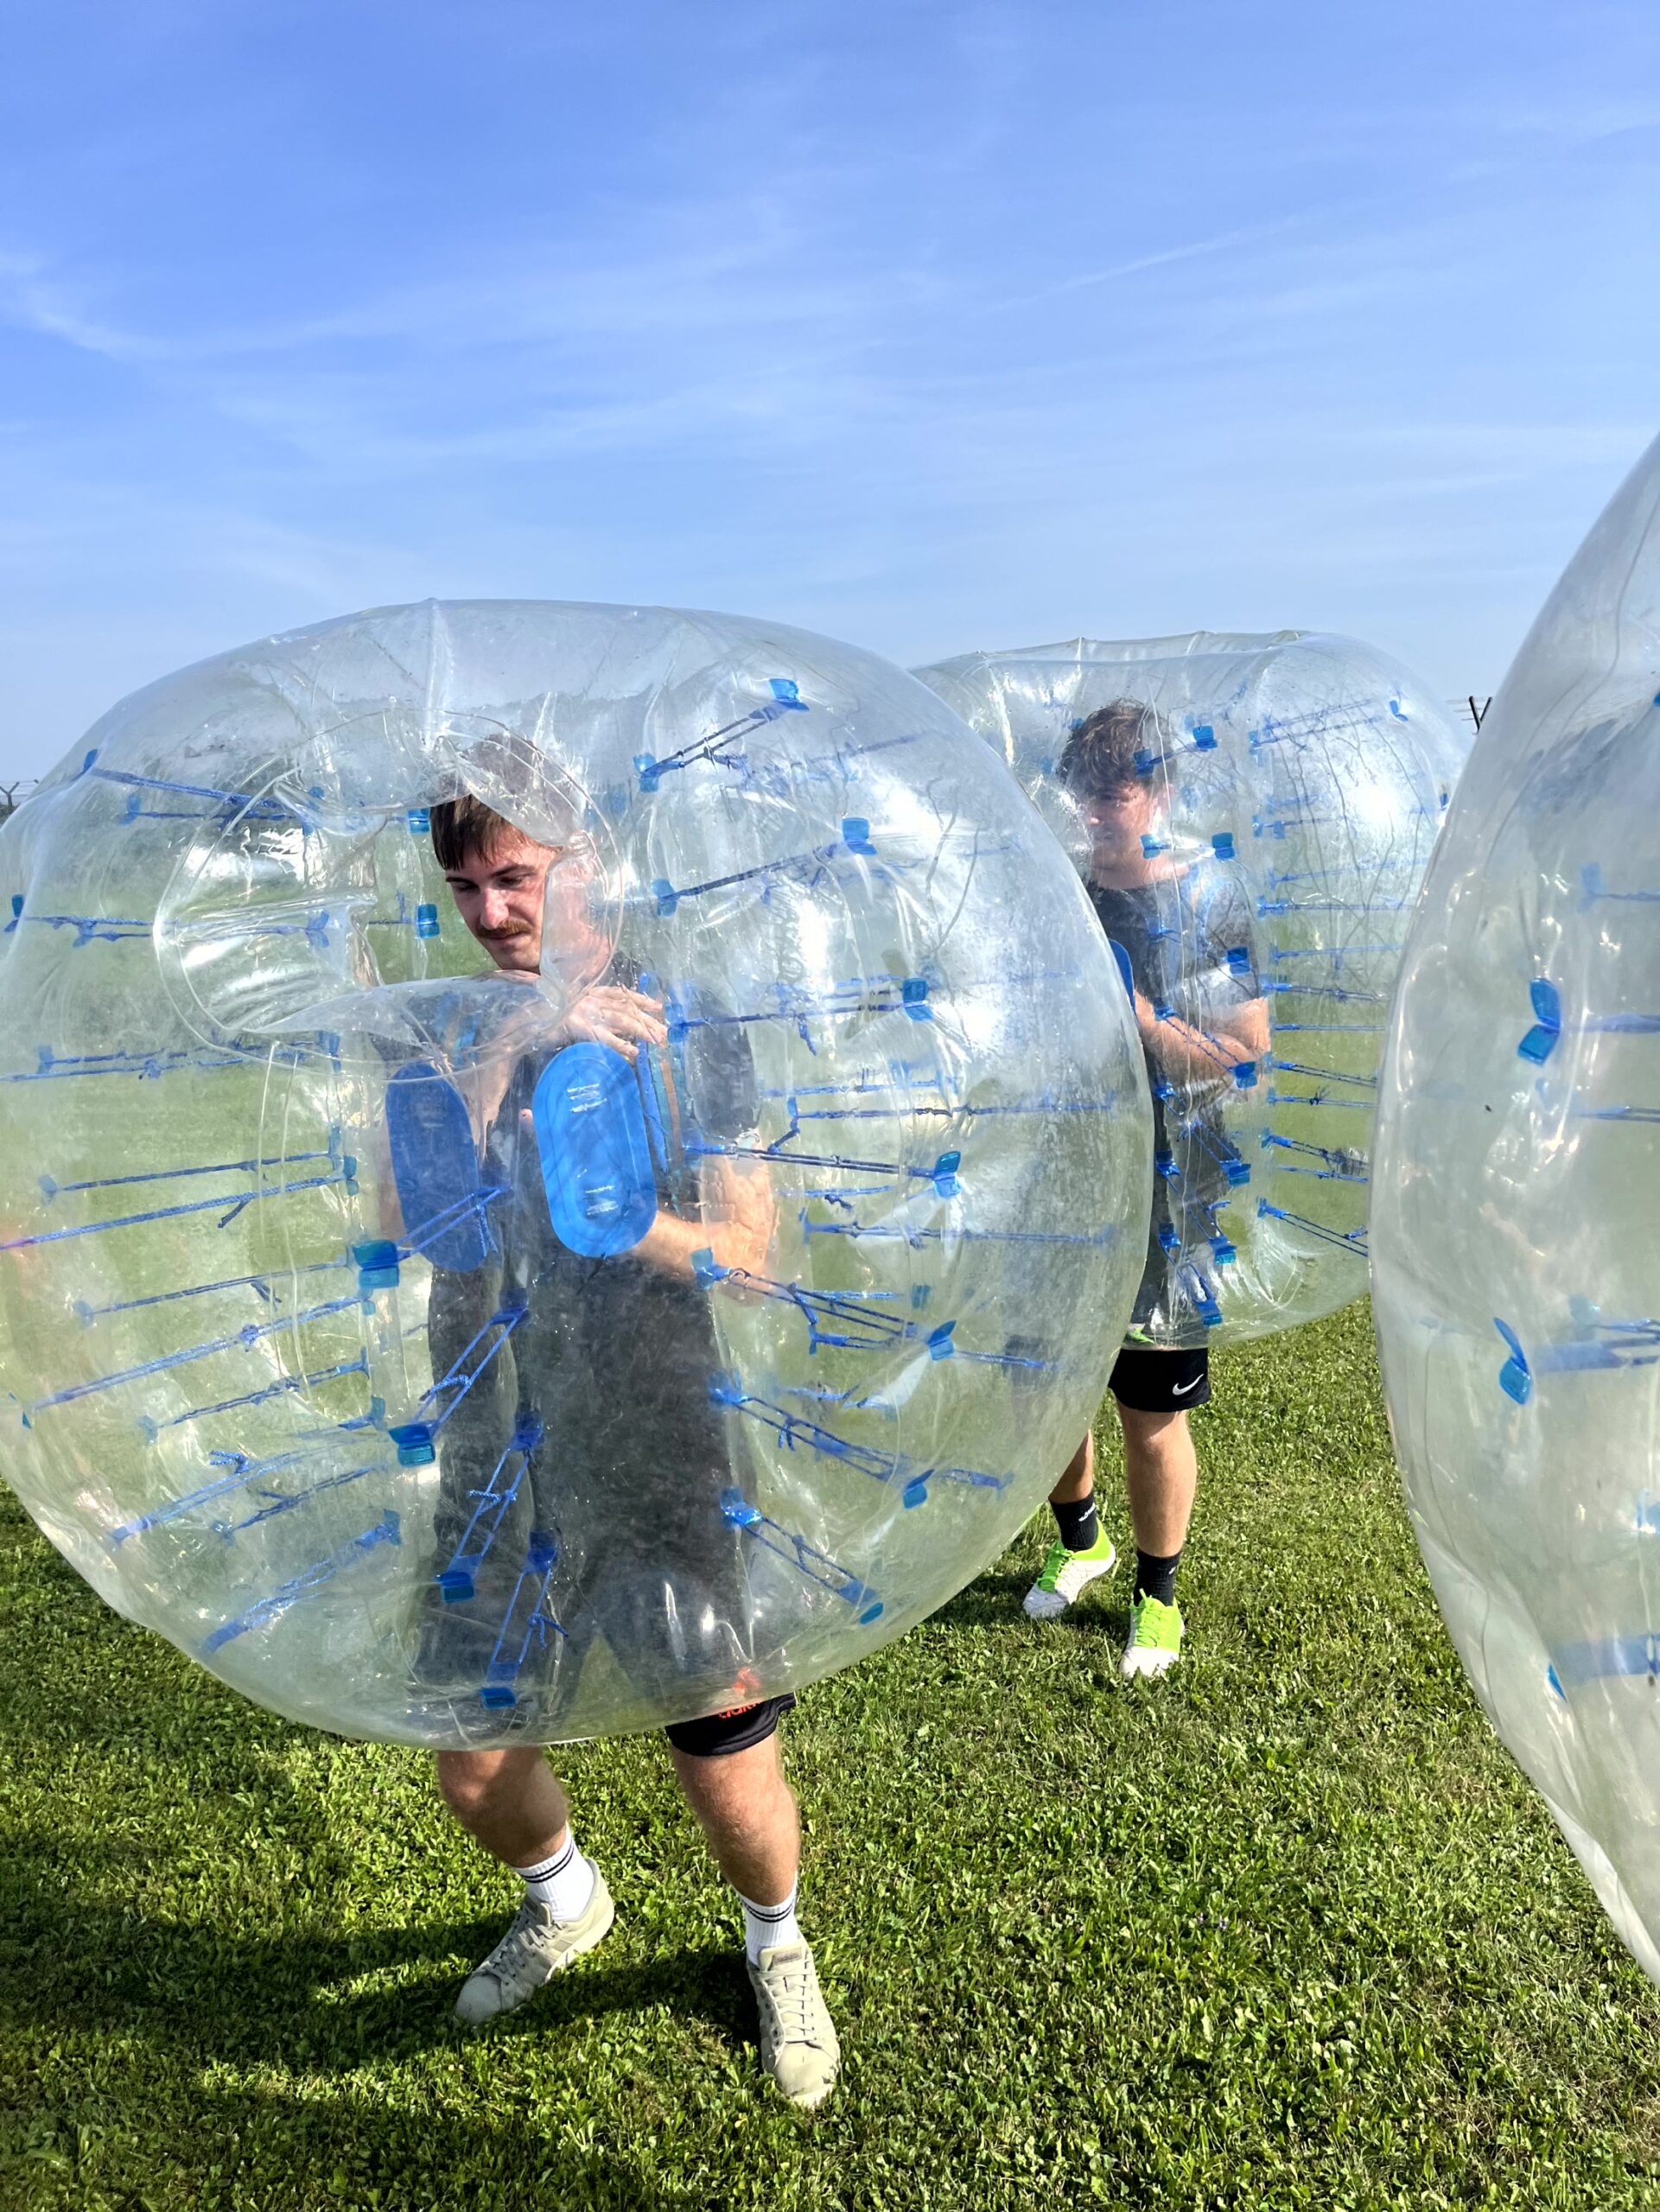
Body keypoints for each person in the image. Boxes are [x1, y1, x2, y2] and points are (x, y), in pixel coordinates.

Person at [410, 791, 839, 2110]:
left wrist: (609, 1211)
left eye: (515, 877)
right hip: (496, 1430)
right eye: (468, 887)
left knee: (716, 1733)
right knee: (475, 1763)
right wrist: (510, 1056)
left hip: (654, 1425)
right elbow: (422, 1224)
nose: (491, 913)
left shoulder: (679, 1020)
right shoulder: (452, 1026)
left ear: (584, 863)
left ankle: (778, 1946)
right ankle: (567, 1899)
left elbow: (751, 1257)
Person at [1023, 702, 1268, 1678]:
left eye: (1116, 784)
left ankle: (1158, 1595)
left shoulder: (1216, 903)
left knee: (1147, 1409)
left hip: (1174, 1191)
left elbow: (1243, 1064)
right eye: (1083, 783)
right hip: (1063, 1181)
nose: (1094, 804)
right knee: (1047, 1392)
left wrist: (1138, 1021)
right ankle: (1082, 1538)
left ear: (1160, 789)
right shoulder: (1060, 898)